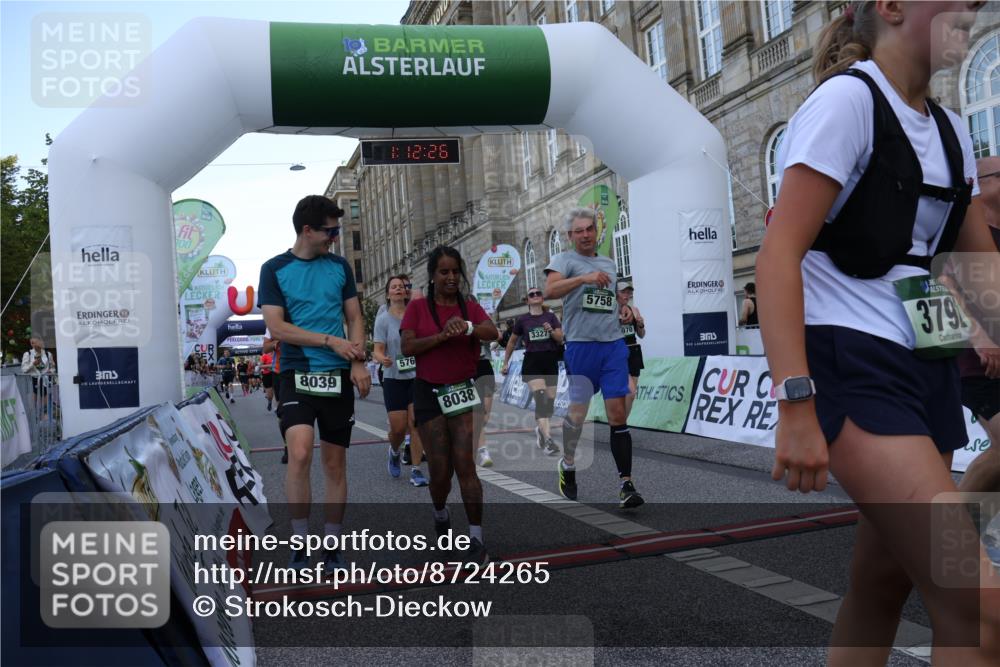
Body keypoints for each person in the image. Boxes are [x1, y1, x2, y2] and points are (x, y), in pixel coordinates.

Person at [757, 2, 998, 663]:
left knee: (882, 581)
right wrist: (796, 401)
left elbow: (983, 275)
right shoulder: (848, 103)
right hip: (853, 367)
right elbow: (778, 255)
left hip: (928, 367)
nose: (970, 11)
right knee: (981, 608)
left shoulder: (949, 131)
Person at [259, 194, 370, 571]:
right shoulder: (274, 268)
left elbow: (354, 317)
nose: (335, 237)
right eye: (330, 231)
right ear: (307, 230)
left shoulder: (339, 266)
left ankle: (333, 545)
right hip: (296, 372)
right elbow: (276, 326)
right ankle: (301, 543)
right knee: (301, 451)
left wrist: (358, 359)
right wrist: (329, 340)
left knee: (335, 464)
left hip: (338, 374)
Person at [400, 245, 498, 564]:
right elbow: (407, 347)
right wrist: (442, 336)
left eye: (456, 271)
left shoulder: (469, 307)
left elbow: (492, 332)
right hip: (428, 392)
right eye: (444, 272)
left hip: (462, 390)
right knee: (440, 471)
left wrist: (467, 327)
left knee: (466, 465)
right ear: (433, 276)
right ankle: (441, 513)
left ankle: (476, 538)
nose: (451, 277)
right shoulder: (417, 309)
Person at [544, 208, 644, 509]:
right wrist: (583, 278)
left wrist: (622, 309)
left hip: (612, 344)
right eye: (579, 231)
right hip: (581, 346)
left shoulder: (609, 264)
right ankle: (569, 464)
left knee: (618, 413)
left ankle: (626, 484)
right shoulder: (563, 261)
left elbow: (610, 298)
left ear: (596, 231)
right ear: (570, 235)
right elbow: (550, 290)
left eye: (590, 229)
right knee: (578, 413)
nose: (586, 235)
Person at [957, 155, 1000, 495]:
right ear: (980, 184)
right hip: (979, 365)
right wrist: (979, 334)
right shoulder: (964, 233)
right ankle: (948, 531)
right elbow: (942, 285)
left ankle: (968, 534)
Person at [373, 275, 428, 487]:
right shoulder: (383, 319)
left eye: (401, 287)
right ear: (388, 294)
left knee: (415, 423)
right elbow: (376, 350)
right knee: (398, 428)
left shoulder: (416, 316)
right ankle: (394, 451)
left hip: (416, 377)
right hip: (393, 378)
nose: (398, 289)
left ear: (406, 292)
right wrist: (382, 358)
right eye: (393, 287)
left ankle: (416, 470)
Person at [502, 287, 563, 456]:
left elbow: (560, 338)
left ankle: (541, 430)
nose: (536, 296)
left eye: (538, 293)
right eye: (532, 294)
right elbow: (512, 342)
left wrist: (551, 330)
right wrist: (505, 363)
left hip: (550, 361)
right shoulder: (522, 320)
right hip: (532, 363)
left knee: (549, 404)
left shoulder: (551, 317)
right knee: (541, 399)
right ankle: (549, 440)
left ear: (542, 298)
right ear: (527, 300)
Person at [616, 281, 646, 421]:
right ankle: (620, 423)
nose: (627, 295)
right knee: (630, 392)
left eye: (629, 292)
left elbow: (641, 334)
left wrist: (640, 324)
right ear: (615, 293)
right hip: (619, 351)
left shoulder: (634, 310)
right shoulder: (611, 312)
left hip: (634, 350)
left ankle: (622, 422)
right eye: (623, 292)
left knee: (631, 395)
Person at [473, 339, 496, 468]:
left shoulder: (482, 319)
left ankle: (476, 442)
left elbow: (497, 335)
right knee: (477, 414)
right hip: (466, 366)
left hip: (484, 367)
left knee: (485, 416)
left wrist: (479, 333)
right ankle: (483, 451)